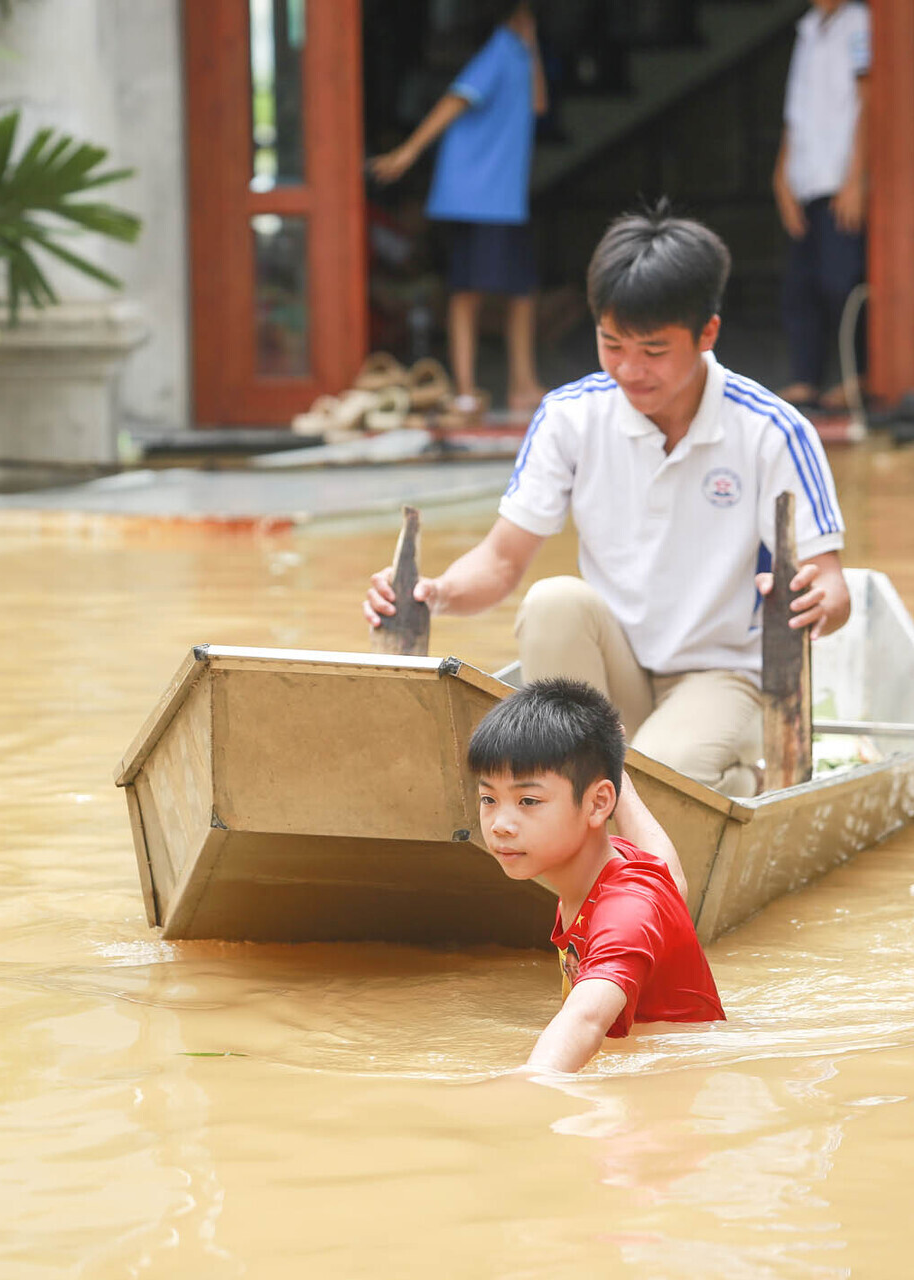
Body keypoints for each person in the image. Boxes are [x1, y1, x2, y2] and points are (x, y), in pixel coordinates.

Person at [363, 205, 851, 797]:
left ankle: (740, 778)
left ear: (707, 334)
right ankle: (603, 769)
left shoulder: (773, 430)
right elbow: (500, 562)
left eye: (652, 350)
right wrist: (433, 593)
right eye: (611, 343)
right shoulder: (570, 416)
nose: (628, 369)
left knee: (658, 784)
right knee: (553, 602)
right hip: (615, 670)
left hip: (724, 674)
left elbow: (833, 589)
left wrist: (808, 602)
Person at [467, 678, 724, 1073]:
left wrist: (527, 1090)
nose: (500, 824)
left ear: (598, 803)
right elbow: (671, 880)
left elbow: (585, 1020)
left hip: (673, 1086)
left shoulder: (625, 909)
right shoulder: (609, 867)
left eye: (528, 801)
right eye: (489, 799)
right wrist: (620, 783)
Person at [369, 1, 548, 416]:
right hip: (478, 196)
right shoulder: (499, 50)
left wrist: (533, 45)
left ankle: (523, 383)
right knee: (468, 292)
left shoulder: (519, 52)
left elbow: (537, 105)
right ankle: (465, 391)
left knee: (522, 290)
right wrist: (408, 152)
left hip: (504, 199)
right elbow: (455, 100)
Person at [772, 0, 872, 410]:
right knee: (801, 287)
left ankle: (861, 376)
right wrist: (780, 176)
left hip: (839, 180)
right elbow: (795, 115)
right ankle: (806, 379)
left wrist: (857, 178)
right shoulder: (808, 29)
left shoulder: (860, 23)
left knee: (843, 282)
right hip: (807, 180)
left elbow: (871, 102)